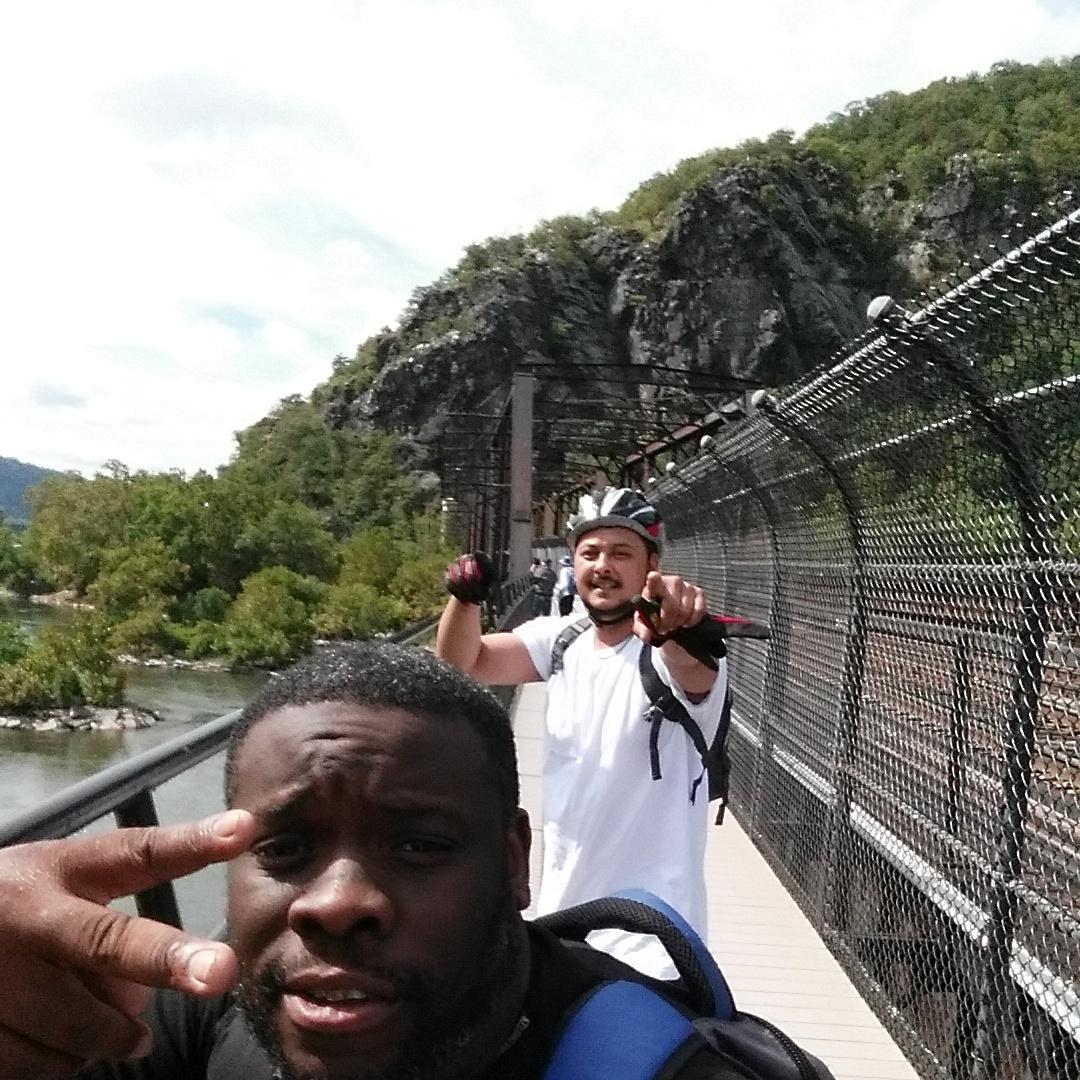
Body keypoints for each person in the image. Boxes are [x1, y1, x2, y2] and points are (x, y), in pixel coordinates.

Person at [0, 642, 786, 1080]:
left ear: (515, 864)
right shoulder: (202, 1011)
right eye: (284, 849)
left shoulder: (671, 1073)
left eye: (418, 845)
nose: (335, 903)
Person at [437, 487, 727, 978]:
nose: (603, 565)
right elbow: (463, 663)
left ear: (651, 564)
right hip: (562, 924)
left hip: (655, 943)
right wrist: (464, 599)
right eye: (590, 553)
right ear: (574, 562)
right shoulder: (562, 638)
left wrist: (674, 629)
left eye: (621, 553)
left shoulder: (675, 650)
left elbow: (697, 671)